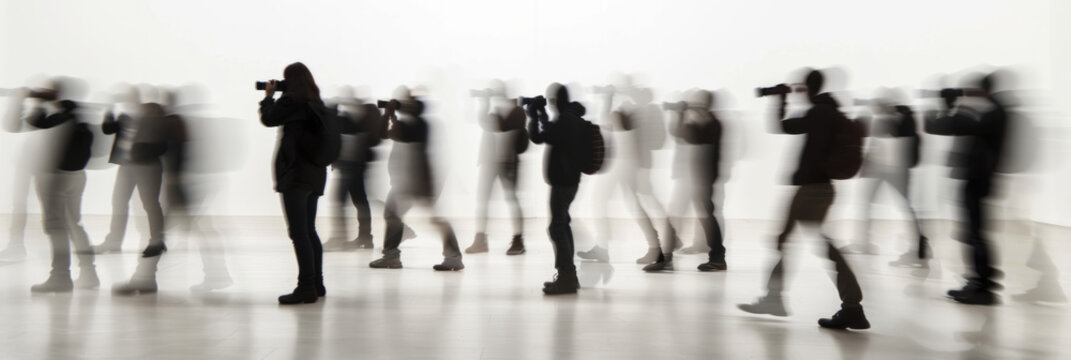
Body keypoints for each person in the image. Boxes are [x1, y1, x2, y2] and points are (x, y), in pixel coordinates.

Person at [738, 69, 870, 330]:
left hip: (810, 188)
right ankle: (851, 307)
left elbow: (782, 126)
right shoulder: (831, 113)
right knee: (817, 243)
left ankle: (776, 299)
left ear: (807, 89)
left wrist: (779, 99)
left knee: (787, 240)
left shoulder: (818, 113)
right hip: (823, 188)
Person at [924, 72, 1007, 305]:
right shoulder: (993, 111)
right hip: (978, 177)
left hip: (978, 178)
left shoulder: (990, 114)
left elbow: (950, 126)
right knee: (974, 232)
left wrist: (949, 107)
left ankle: (981, 286)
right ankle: (981, 280)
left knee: (975, 233)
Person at [11, 78, 99, 292]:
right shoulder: (79, 114)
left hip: (55, 177)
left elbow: (33, 122)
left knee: (55, 226)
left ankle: (60, 276)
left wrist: (36, 102)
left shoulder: (60, 115)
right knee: (74, 224)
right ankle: (89, 273)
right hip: (76, 175)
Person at [259, 62, 332, 305]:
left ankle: (306, 287)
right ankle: (317, 284)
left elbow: (268, 119)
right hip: (315, 175)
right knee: (309, 230)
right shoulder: (315, 103)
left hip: (295, 175)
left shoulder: (291, 101)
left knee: (298, 232)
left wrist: (269, 97)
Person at [368, 88, 464, 271]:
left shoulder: (414, 125)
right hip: (413, 180)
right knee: (397, 214)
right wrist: (393, 114)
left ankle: (392, 256)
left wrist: (388, 112)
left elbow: (384, 134)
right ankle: (452, 256)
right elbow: (395, 133)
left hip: (414, 181)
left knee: (422, 217)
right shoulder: (417, 123)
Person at [576, 83, 666, 264]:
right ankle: (651, 247)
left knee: (620, 203)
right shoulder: (631, 111)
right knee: (622, 203)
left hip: (623, 165)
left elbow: (605, 123)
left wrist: (607, 99)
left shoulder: (624, 113)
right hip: (624, 164)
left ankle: (653, 248)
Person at [645, 89, 725, 272]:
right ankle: (667, 258)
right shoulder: (705, 122)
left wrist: (686, 115)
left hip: (701, 179)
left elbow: (692, 137)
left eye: (698, 102)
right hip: (691, 177)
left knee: (706, 218)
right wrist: (681, 115)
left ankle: (717, 258)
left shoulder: (712, 123)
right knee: (678, 216)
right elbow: (679, 134)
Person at [527, 83, 591, 295]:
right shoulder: (572, 119)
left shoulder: (564, 122)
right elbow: (550, 132)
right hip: (571, 181)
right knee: (562, 225)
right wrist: (541, 113)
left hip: (562, 183)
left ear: (555, 100)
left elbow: (538, 136)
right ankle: (569, 275)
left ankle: (567, 277)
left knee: (557, 227)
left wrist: (534, 114)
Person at [854, 90, 929, 265]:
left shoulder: (898, 119)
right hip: (888, 170)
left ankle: (919, 245)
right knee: (870, 202)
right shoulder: (898, 118)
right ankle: (865, 242)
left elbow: (884, 143)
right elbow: (878, 145)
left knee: (905, 207)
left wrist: (868, 163)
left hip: (894, 170)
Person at [92, 85, 168, 257]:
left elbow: (162, 144)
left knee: (150, 203)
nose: (127, 100)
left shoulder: (152, 115)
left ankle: (157, 241)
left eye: (130, 97)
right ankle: (114, 241)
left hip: (148, 166)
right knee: (119, 201)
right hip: (127, 166)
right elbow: (107, 129)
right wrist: (109, 108)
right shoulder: (125, 116)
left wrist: (144, 151)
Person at [466, 80, 527, 256]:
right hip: (490, 162)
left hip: (508, 162)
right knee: (483, 200)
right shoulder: (497, 111)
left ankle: (518, 240)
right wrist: (485, 103)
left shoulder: (517, 111)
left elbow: (499, 126)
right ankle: (480, 239)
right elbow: (485, 123)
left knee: (512, 200)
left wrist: (487, 104)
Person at [323, 87, 384, 251]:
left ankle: (340, 238)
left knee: (341, 201)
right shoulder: (358, 115)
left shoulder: (352, 116)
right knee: (360, 201)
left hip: (351, 165)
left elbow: (347, 138)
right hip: (355, 164)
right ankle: (365, 237)